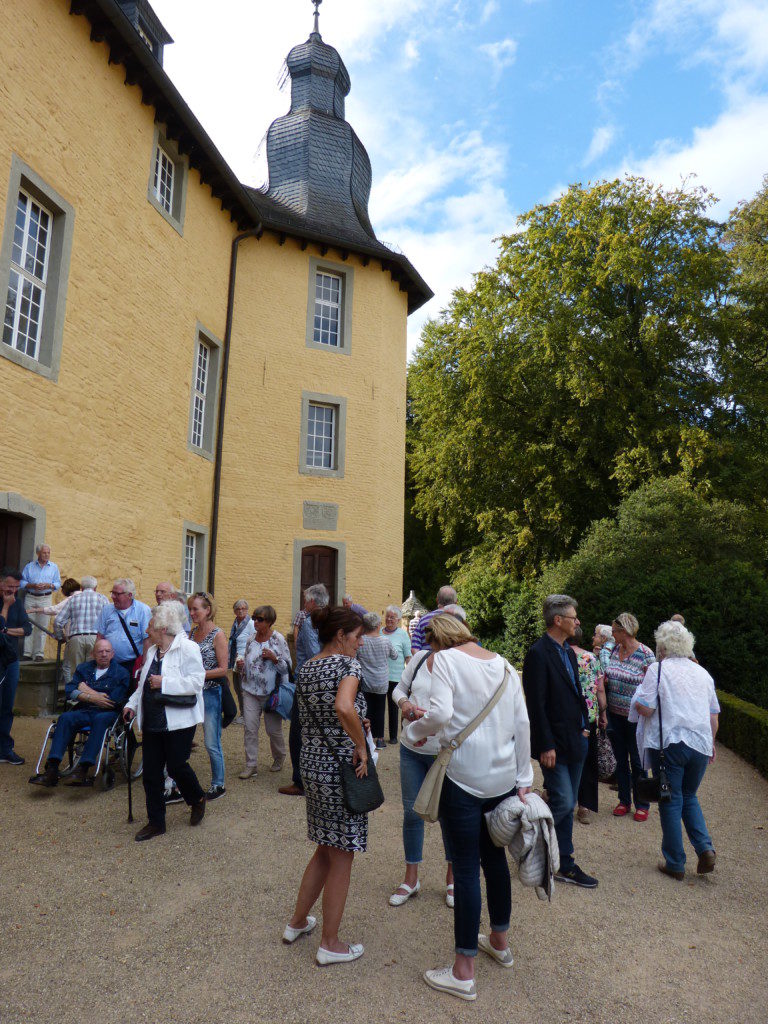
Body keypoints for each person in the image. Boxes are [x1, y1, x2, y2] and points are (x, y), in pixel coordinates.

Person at [408, 613, 533, 1002]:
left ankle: (463, 971)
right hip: (501, 779)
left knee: (464, 867)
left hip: (462, 777)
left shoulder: (444, 660)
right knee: (493, 859)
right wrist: (524, 778)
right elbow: (522, 722)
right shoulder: (504, 664)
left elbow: (441, 714)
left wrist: (413, 731)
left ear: (436, 640)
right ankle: (499, 939)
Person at [283, 605, 367, 965]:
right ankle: (330, 943)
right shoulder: (348, 665)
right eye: (358, 636)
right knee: (342, 853)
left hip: (313, 765)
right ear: (341, 635)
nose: (361, 643)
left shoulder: (308, 667)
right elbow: (344, 708)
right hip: (341, 769)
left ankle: (297, 922)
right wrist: (360, 744)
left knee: (324, 847)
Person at [630, 620, 719, 880]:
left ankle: (675, 862)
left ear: (663, 646)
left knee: (670, 799)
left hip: (671, 744)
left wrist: (637, 702)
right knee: (689, 796)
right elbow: (714, 716)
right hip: (701, 745)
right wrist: (711, 743)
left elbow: (646, 708)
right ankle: (705, 848)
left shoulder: (657, 670)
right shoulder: (702, 673)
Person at [522, 595, 598, 889]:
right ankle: (534, 852)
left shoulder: (567, 652)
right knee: (564, 801)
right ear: (558, 620)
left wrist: (585, 728)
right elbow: (536, 705)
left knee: (565, 803)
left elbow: (578, 693)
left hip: (576, 740)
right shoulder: (539, 653)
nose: (577, 621)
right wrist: (545, 745)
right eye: (573, 617)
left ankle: (563, 862)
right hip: (554, 745)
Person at [123, 602, 206, 841]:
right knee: (151, 773)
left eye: (151, 625)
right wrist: (131, 705)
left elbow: (196, 683)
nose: (147, 629)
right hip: (152, 721)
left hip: (179, 721)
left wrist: (164, 682)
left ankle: (197, 798)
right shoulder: (151, 651)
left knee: (177, 766)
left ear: (162, 628)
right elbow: (142, 686)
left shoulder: (188, 648)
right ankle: (156, 822)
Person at [389, 626, 453, 909]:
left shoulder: (458, 666)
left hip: (444, 753)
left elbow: (463, 711)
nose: (434, 643)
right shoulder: (418, 660)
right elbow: (399, 689)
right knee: (411, 812)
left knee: (449, 817)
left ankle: (453, 880)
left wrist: (430, 722)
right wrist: (404, 704)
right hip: (411, 748)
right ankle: (411, 878)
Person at [28, 639, 129, 787]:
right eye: (100, 651)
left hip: (107, 713)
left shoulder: (121, 673)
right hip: (85, 709)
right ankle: (52, 768)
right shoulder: (84, 668)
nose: (104, 654)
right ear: (93, 654)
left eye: (107, 651)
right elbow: (69, 690)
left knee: (100, 720)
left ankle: (83, 768)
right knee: (65, 718)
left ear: (113, 654)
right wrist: (93, 697)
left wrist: (85, 690)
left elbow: (111, 701)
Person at [604, 612, 655, 821]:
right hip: (615, 715)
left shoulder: (645, 654)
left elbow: (653, 686)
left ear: (624, 631)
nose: (612, 634)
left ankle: (642, 804)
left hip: (635, 719)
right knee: (620, 761)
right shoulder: (615, 650)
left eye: (614, 631)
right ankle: (624, 801)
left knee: (637, 761)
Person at [280, 584, 328, 797]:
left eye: (306, 600)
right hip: (322, 681)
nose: (304, 603)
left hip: (307, 680)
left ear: (312, 602)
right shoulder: (329, 619)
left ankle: (300, 781)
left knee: (298, 731)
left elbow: (313, 654)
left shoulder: (309, 623)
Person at [239, 605, 291, 779]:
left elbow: (287, 669)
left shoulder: (278, 640)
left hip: (271, 693)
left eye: (259, 619)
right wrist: (241, 666)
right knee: (250, 729)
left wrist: (274, 658)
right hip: (250, 690)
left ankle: (279, 756)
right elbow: (247, 663)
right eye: (254, 618)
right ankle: (251, 765)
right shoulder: (250, 640)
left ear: (269, 621)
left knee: (273, 730)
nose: (255, 622)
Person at [189, 591, 228, 800]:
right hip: (192, 693)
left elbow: (223, 669)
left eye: (196, 609)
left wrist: (197, 675)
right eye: (191, 609)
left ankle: (218, 784)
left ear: (208, 610)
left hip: (211, 692)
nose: (192, 612)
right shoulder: (192, 633)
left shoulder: (218, 634)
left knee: (211, 741)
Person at [569, 626, 606, 824]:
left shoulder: (561, 655)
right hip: (589, 716)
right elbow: (600, 688)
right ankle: (584, 806)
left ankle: (559, 798)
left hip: (566, 716)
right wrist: (603, 713)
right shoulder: (591, 658)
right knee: (588, 761)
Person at [0, 570, 33, 765]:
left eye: (16, 587)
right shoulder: (7, 603)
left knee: (7, 706)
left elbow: (27, 629)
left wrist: (5, 630)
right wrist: (5, 606)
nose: (13, 590)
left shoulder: (18, 603)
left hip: (11, 659)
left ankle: (4, 749)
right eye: (9, 586)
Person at [53, 576, 109, 684]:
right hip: (95, 638)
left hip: (76, 638)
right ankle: (90, 696)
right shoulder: (103, 599)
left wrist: (60, 636)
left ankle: (76, 698)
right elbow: (108, 621)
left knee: (76, 671)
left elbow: (58, 621)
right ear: (95, 588)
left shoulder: (73, 599)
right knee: (93, 671)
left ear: (82, 588)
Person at [356, 612, 396, 749]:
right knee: (380, 710)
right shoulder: (385, 641)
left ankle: (367, 737)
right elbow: (395, 656)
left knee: (366, 709)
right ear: (378, 625)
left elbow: (355, 657)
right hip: (381, 681)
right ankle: (379, 739)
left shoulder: (361, 641)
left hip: (366, 680)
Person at [95, 580, 151, 676]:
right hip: (109, 663)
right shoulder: (107, 610)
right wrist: (96, 660)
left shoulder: (143, 610)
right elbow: (100, 637)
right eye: (112, 593)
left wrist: (144, 664)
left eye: (117, 594)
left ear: (129, 595)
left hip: (132, 663)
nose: (112, 596)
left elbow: (147, 640)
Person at [20, 544, 61, 660]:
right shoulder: (29, 567)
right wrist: (32, 585)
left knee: (42, 626)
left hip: (45, 597)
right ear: (38, 553)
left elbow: (58, 584)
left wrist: (49, 585)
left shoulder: (54, 567)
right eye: (44, 553)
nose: (47, 555)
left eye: (48, 553)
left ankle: (39, 653)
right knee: (28, 624)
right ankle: (27, 653)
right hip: (31, 597)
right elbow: (22, 583)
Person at [382, 605, 411, 745]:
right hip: (380, 677)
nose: (389, 619)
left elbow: (408, 657)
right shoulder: (379, 632)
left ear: (398, 620)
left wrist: (410, 676)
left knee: (394, 709)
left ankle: (393, 736)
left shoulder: (403, 634)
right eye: (387, 616)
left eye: (392, 617)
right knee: (379, 707)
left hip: (396, 677)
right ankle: (378, 735)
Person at [229, 599, 255, 721]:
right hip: (235, 658)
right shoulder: (235, 623)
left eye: (243, 608)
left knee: (243, 687)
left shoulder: (250, 623)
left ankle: (247, 715)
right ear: (234, 611)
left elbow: (255, 641)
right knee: (237, 687)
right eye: (238, 609)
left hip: (244, 659)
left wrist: (248, 657)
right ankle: (243, 713)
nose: (241, 611)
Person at [410, 585, 457, 652]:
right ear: (456, 602)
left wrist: (423, 661)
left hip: (428, 660)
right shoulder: (459, 621)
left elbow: (414, 648)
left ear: (437, 600)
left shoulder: (423, 620)